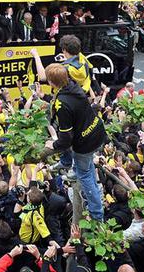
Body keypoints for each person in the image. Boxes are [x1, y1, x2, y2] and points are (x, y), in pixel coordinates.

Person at [39, 63, 106, 220]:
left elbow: (66, 138)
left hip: (85, 143)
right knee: (87, 168)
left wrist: (53, 144)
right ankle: (77, 172)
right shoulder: (73, 85)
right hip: (97, 132)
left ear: (51, 82)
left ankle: (96, 213)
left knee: (85, 175)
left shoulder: (62, 104)